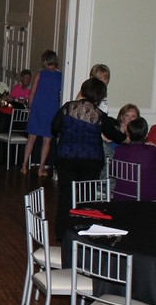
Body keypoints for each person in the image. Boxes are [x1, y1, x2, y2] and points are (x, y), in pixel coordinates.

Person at [51, 77, 126, 250]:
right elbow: (115, 136)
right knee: (86, 198)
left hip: (67, 157)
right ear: (99, 97)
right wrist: (125, 135)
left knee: (66, 196)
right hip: (91, 160)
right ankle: (83, 232)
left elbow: (54, 128)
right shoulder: (99, 115)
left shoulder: (67, 108)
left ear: (83, 90)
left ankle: (62, 233)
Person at [110, 117, 156, 202]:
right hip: (148, 197)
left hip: (122, 196)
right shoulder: (152, 151)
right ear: (146, 135)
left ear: (128, 133)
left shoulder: (119, 150)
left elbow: (113, 171)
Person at [21, 50, 62, 176]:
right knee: (47, 140)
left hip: (38, 107)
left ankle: (24, 165)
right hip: (52, 108)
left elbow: (32, 93)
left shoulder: (40, 74)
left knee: (31, 137)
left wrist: (30, 107)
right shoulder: (60, 76)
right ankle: (41, 168)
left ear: (44, 61)